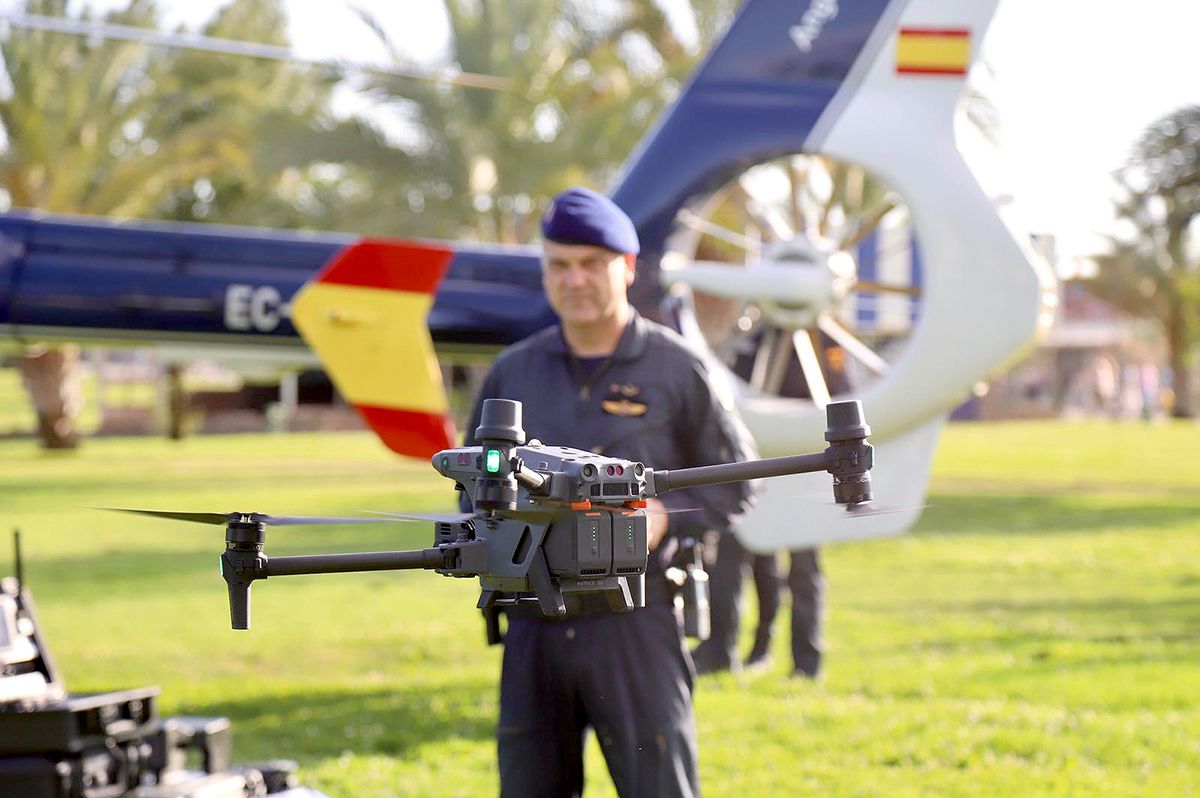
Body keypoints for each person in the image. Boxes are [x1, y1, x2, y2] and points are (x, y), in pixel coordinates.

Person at [461, 186, 757, 798]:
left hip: (636, 621)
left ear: (627, 267)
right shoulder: (513, 371)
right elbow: (470, 490)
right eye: (559, 265)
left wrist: (661, 517)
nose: (574, 280)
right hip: (533, 624)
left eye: (591, 263)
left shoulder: (676, 367)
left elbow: (735, 480)